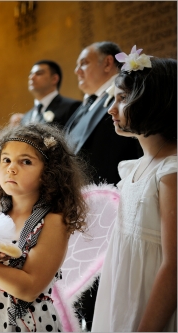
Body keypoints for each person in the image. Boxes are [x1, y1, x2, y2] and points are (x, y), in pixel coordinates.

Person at [0, 123, 90, 332]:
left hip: (26, 322)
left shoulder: (52, 220)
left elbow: (29, 289)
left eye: (26, 161)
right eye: (6, 160)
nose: (12, 168)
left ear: (49, 172)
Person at [92, 51, 177, 331]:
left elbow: (174, 266)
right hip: (121, 295)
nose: (111, 109)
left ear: (153, 102)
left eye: (122, 98)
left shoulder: (170, 171)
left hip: (149, 305)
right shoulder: (135, 167)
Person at [64, 41, 143, 330]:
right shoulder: (87, 104)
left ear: (108, 63)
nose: (77, 71)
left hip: (111, 213)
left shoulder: (128, 97)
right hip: (79, 213)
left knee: (102, 297)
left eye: (84, 62)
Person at [20, 60, 81, 128]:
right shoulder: (25, 117)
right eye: (31, 74)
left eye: (39, 73)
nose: (31, 77)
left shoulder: (72, 107)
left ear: (54, 79)